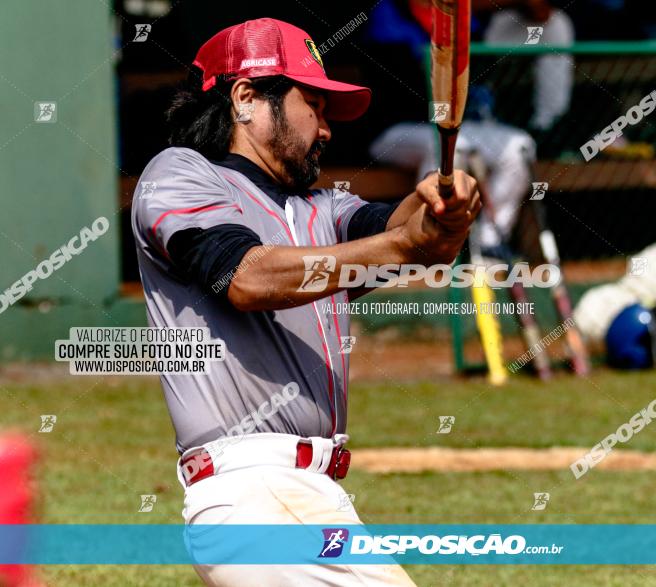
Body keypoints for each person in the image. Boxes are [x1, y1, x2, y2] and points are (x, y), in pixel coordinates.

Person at [131, 17, 481, 586]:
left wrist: (443, 214)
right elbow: (245, 277)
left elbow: (404, 239)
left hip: (308, 500)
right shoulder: (180, 174)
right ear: (245, 97)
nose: (325, 129)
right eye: (313, 104)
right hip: (257, 499)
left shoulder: (321, 208)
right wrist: (402, 241)